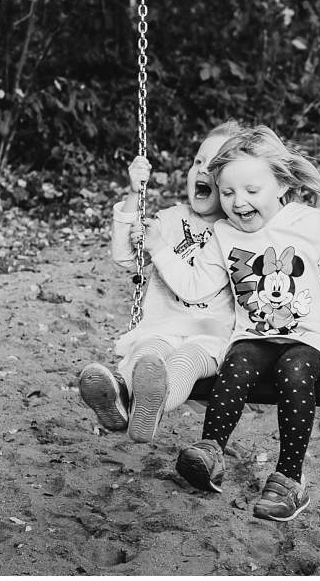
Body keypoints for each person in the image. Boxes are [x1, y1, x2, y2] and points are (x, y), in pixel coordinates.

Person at [143, 126, 320, 522]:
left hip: (308, 341)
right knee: (238, 357)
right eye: (227, 193)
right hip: (255, 337)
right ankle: (211, 450)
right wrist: (158, 247)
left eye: (250, 191)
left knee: (295, 371)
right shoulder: (223, 233)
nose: (238, 202)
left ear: (280, 185)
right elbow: (195, 286)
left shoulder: (311, 223)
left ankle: (288, 479)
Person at [77, 122, 240, 443]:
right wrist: (134, 194)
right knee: (147, 356)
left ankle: (152, 406)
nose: (203, 170)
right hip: (162, 326)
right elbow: (125, 257)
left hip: (209, 337)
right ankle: (119, 396)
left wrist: (158, 247)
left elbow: (199, 286)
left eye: (216, 166)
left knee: (183, 363)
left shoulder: (236, 230)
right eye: (198, 162)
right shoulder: (169, 218)